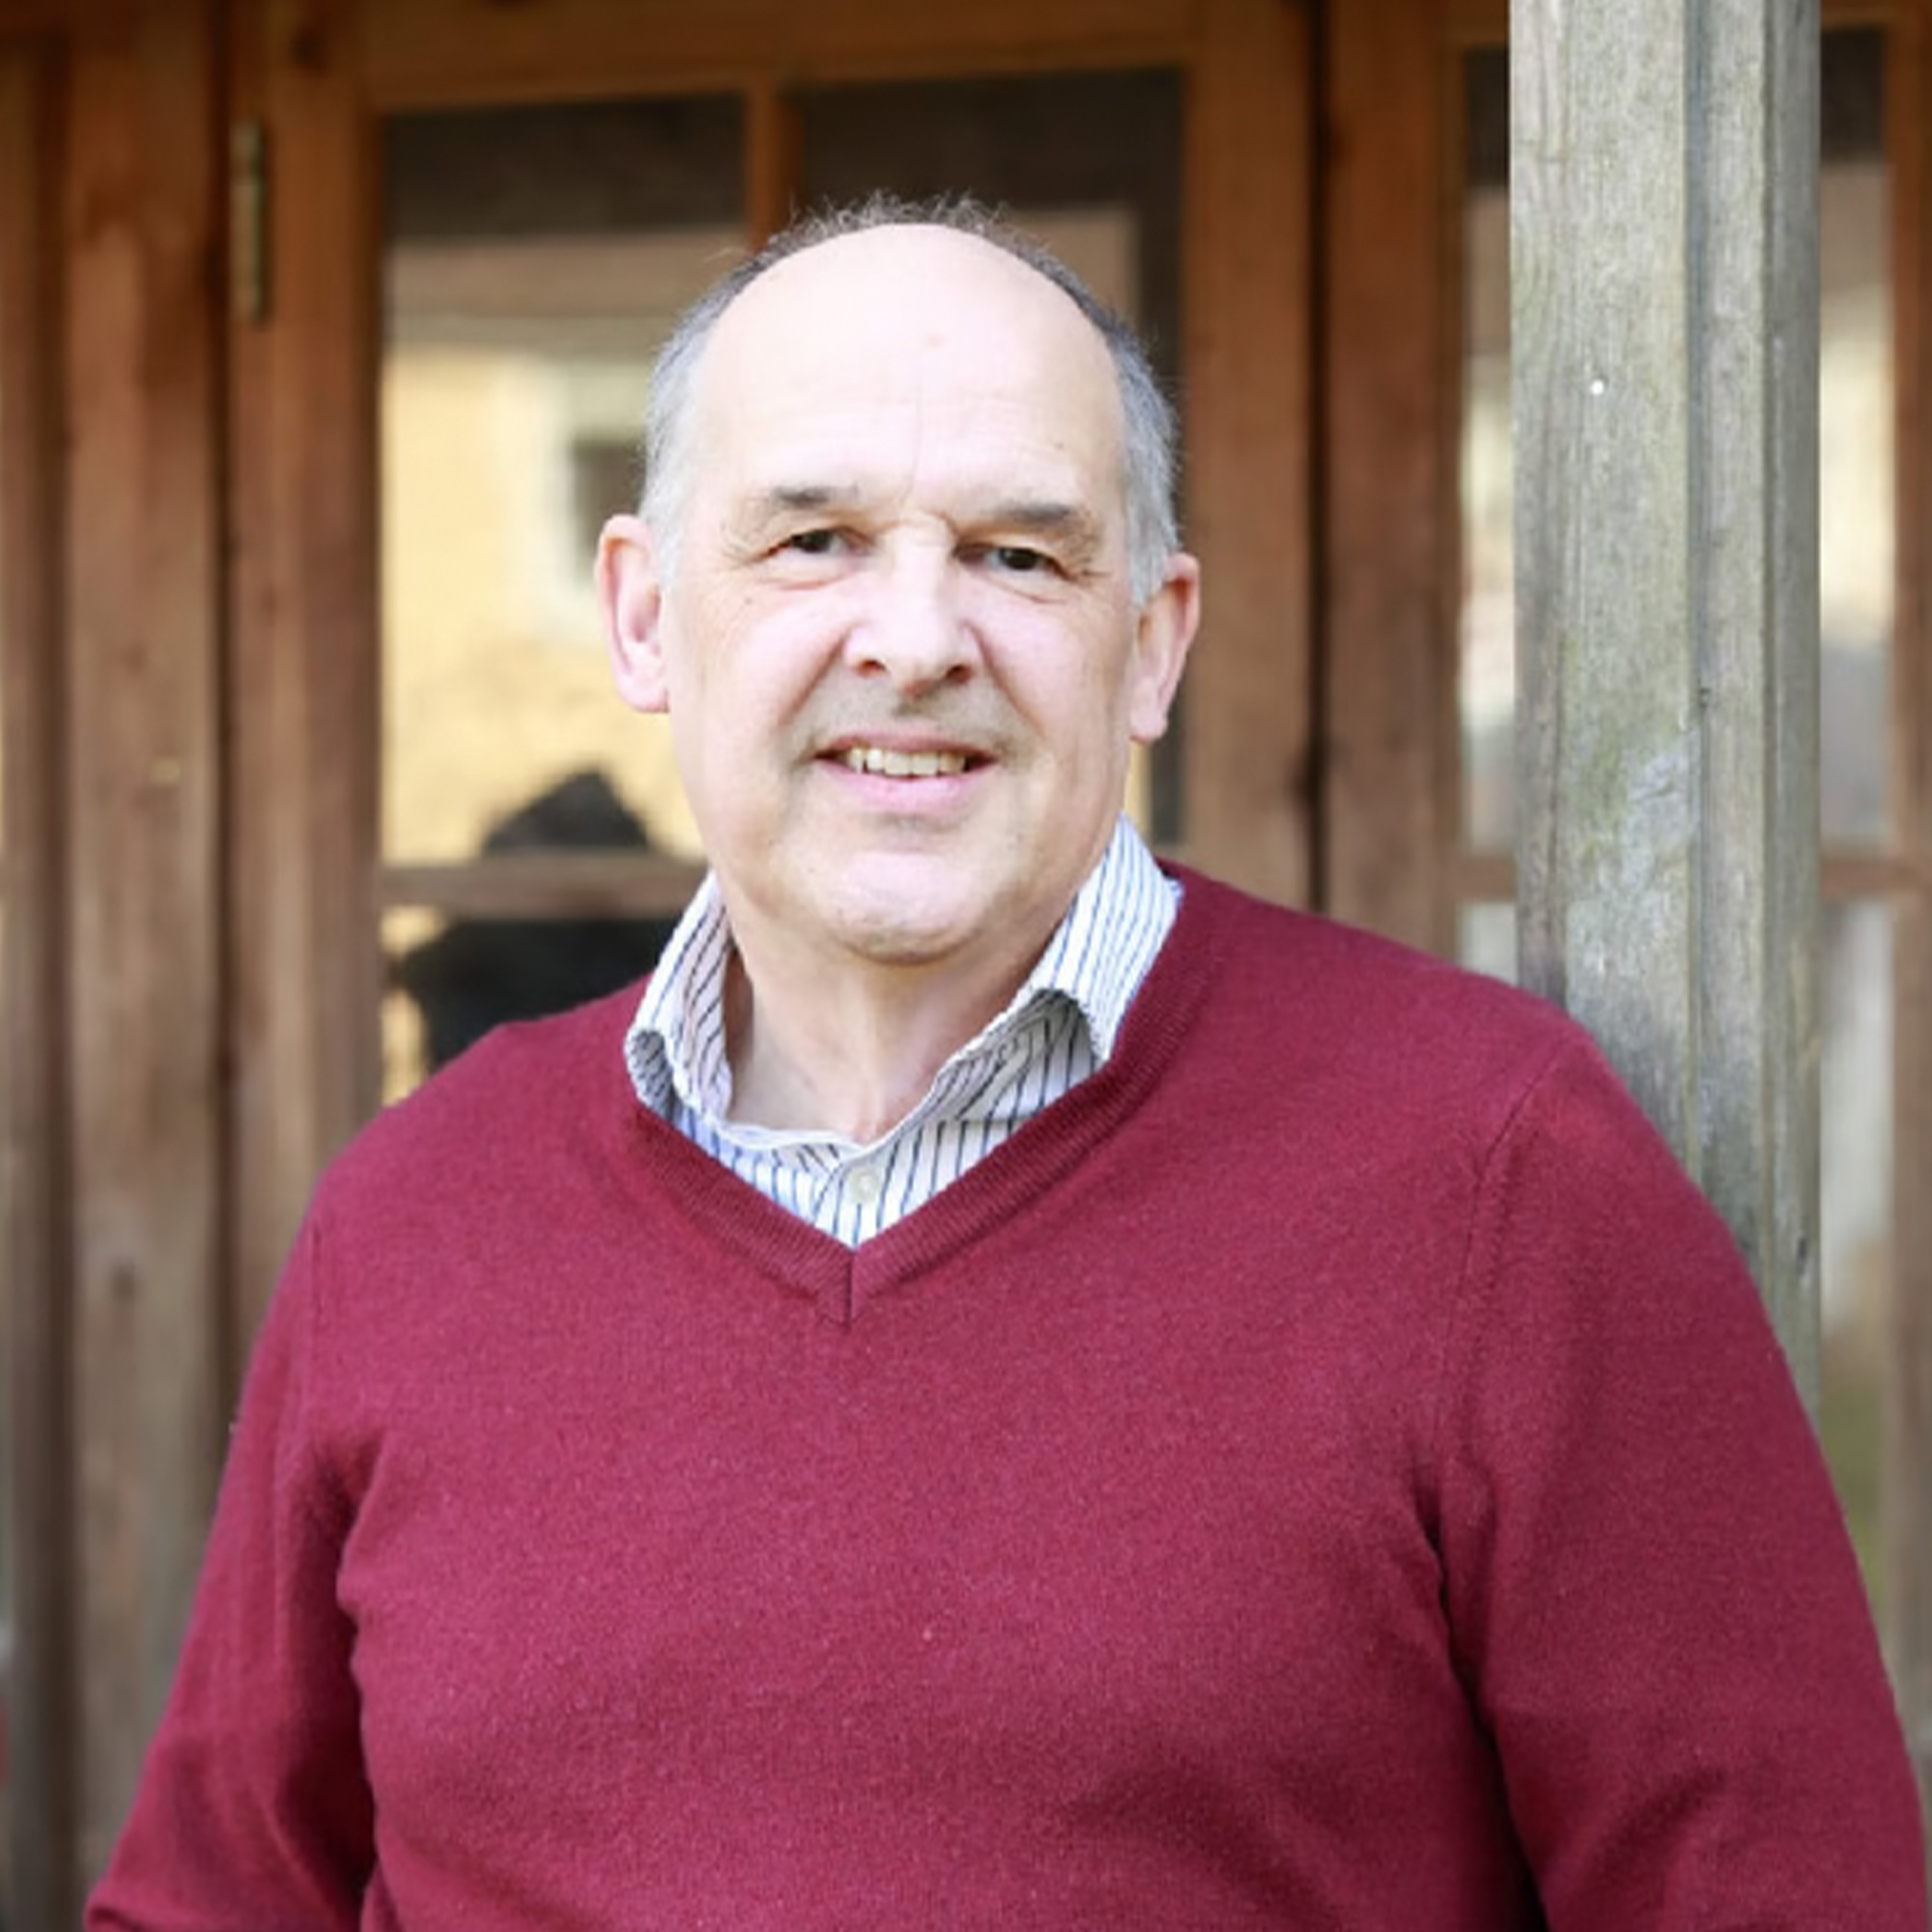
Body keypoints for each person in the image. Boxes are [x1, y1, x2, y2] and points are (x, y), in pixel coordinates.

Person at [90, 198, 1925, 1930]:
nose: (913, 642)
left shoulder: (1497, 1175)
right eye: (812, 541)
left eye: (1019, 556)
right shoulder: (417, 1211)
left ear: (1152, 643)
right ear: (645, 614)